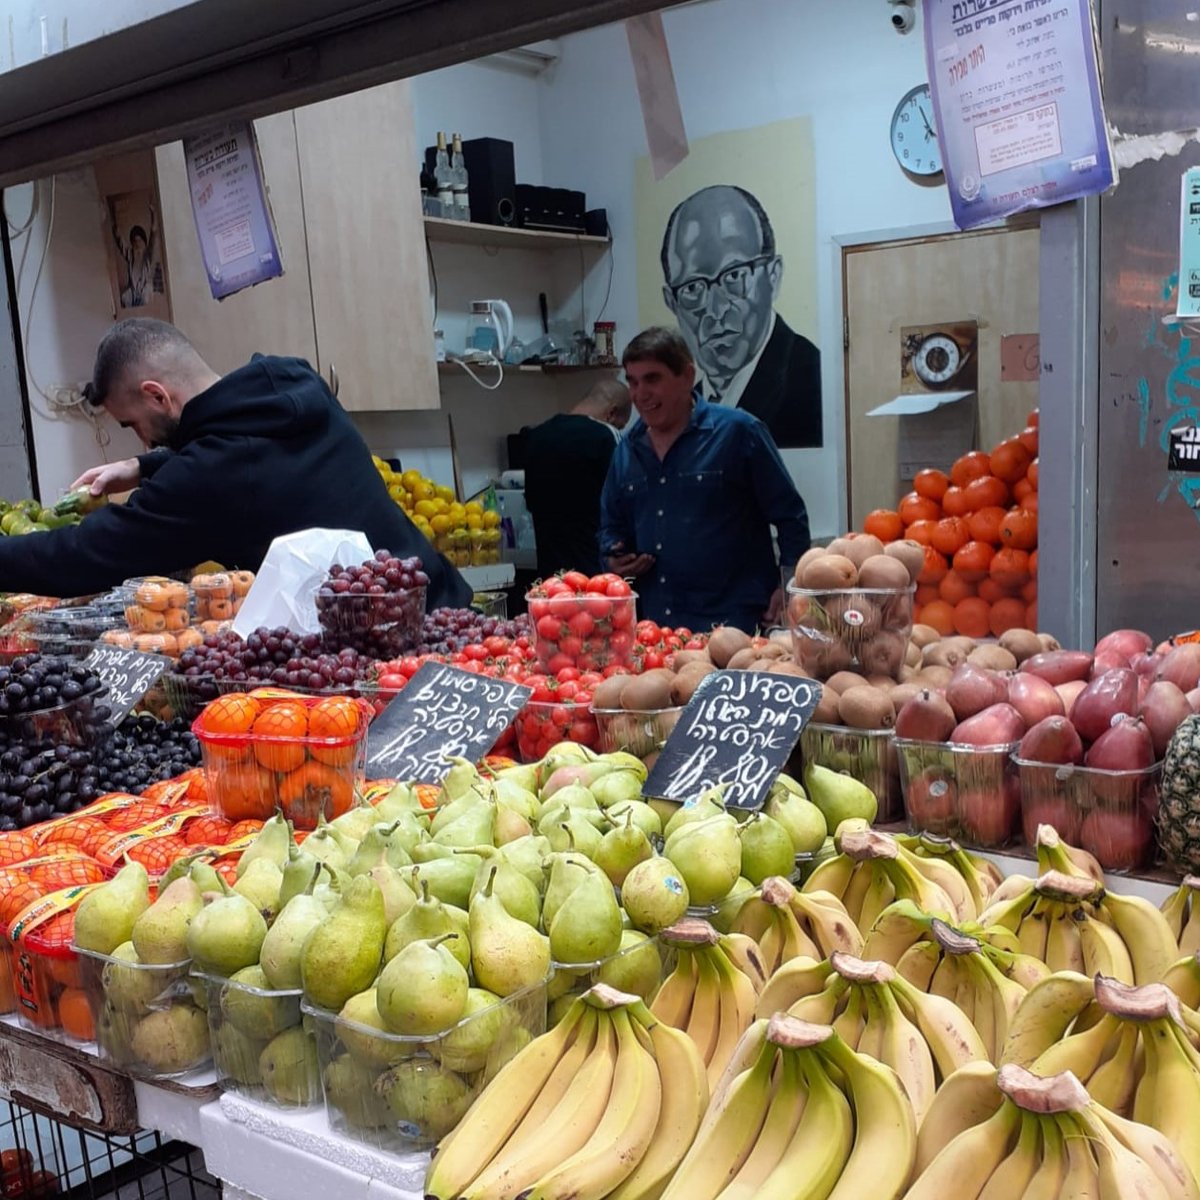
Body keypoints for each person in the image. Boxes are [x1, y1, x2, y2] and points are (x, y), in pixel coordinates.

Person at [0, 318, 473, 607]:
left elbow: (84, 555)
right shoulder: (290, 381)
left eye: (133, 424)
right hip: (445, 603)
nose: (140, 438)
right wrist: (145, 467)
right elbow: (248, 458)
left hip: (394, 655)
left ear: (157, 395)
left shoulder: (212, 474)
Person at [598, 327, 810, 633]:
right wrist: (613, 557)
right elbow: (610, 525)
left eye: (652, 379)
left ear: (686, 376)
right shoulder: (626, 450)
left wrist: (790, 588)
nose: (640, 394)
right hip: (655, 631)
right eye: (632, 382)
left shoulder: (739, 433)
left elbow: (791, 516)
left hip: (734, 628)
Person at [660, 184, 822, 450]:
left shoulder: (810, 384)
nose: (715, 309)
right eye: (692, 288)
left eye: (734, 276)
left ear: (773, 275)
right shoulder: (685, 407)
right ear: (672, 302)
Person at [523, 378, 631, 577]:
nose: (619, 429)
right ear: (611, 413)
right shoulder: (606, 436)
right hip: (595, 573)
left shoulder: (536, 437)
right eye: (620, 425)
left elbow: (530, 502)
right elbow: (626, 501)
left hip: (550, 575)